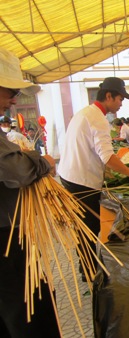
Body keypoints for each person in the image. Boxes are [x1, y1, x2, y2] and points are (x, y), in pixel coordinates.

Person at [58, 77, 129, 281]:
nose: (121, 103)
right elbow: (107, 156)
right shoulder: (98, 118)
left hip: (70, 176)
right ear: (108, 96)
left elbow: (94, 151)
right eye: (119, 99)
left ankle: (88, 267)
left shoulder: (85, 112)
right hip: (81, 181)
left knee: (87, 226)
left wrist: (105, 170)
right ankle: (89, 272)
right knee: (88, 228)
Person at [0, 47, 60, 337]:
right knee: (30, 315)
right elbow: (17, 171)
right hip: (5, 241)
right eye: (9, 90)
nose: (13, 99)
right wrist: (43, 162)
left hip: (9, 235)